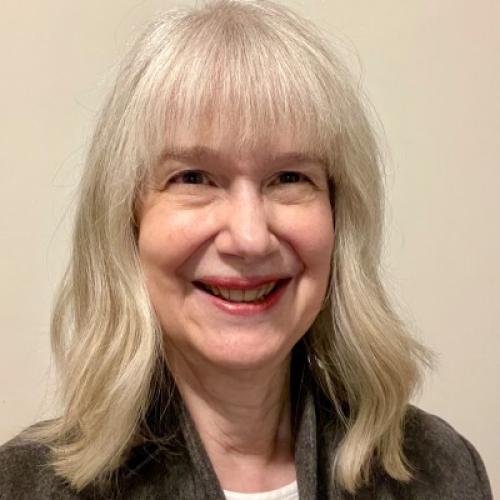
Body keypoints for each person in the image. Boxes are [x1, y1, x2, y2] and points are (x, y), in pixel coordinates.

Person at [0, 1, 493, 499]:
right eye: (193, 178)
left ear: (339, 216)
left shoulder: (439, 469)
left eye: (289, 178)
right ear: (127, 220)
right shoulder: (25, 486)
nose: (250, 237)